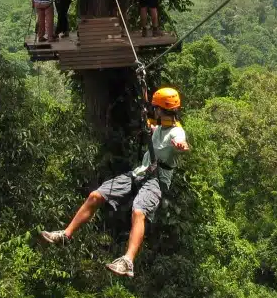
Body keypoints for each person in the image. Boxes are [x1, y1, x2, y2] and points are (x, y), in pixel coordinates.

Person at [39, 87, 189, 278]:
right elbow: (151, 124)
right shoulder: (158, 128)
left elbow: (181, 141)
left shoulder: (176, 132)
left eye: (155, 108)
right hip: (139, 174)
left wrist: (182, 146)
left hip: (156, 181)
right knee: (95, 196)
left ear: (160, 109)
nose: (154, 111)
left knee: (139, 211)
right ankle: (65, 235)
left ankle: (128, 262)